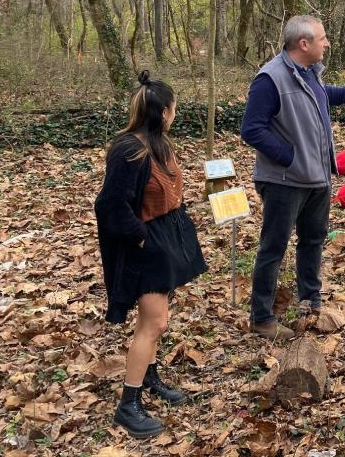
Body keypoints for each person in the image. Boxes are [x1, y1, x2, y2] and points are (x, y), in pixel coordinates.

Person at [241, 15, 345, 337]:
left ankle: (310, 300)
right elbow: (251, 129)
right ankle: (262, 317)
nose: (327, 43)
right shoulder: (270, 78)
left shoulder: (309, 74)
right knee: (273, 248)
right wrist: (290, 158)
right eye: (322, 38)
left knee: (312, 240)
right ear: (303, 43)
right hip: (285, 181)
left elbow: (325, 95)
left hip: (317, 178)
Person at [94, 71, 207, 438]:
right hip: (146, 248)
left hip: (164, 239)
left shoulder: (159, 144)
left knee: (155, 321)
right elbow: (111, 205)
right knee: (154, 323)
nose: (176, 113)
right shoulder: (130, 150)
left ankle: (148, 377)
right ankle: (128, 406)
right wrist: (142, 239)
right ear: (163, 112)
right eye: (173, 108)